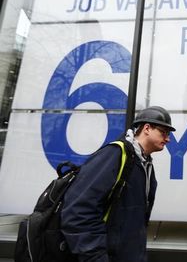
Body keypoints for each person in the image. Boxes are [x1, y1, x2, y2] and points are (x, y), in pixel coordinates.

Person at [61, 106, 175, 262]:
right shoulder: (116, 154)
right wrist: (96, 257)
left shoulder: (145, 164)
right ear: (147, 128)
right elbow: (78, 210)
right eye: (164, 132)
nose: (168, 139)